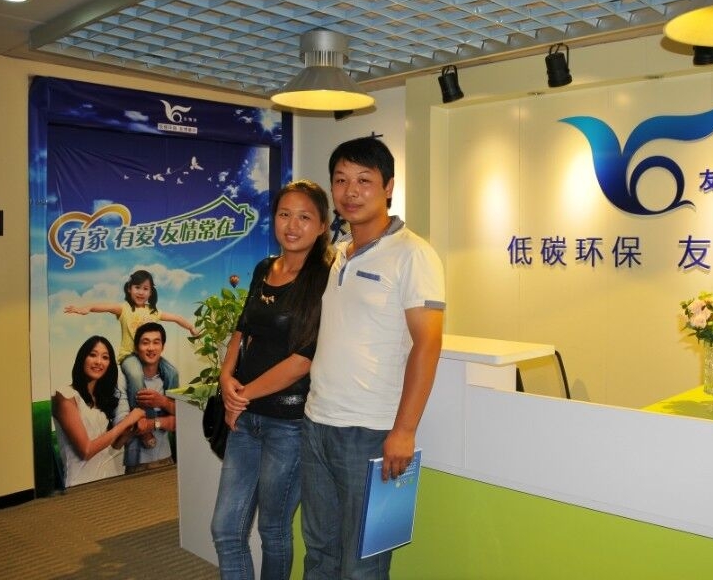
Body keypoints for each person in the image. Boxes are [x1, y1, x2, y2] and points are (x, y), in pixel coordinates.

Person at [301, 136, 445, 579]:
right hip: (317, 422)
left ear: (388, 187)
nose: (351, 191)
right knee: (319, 553)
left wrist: (404, 430)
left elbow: (427, 345)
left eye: (364, 180)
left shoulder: (414, 254)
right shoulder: (338, 253)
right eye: (341, 180)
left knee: (363, 565)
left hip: (371, 433)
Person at [211, 180, 333, 580]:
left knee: (274, 530)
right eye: (284, 214)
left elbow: (302, 360)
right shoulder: (266, 268)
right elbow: (243, 328)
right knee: (226, 530)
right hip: (245, 418)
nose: (292, 225)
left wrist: (241, 395)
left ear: (322, 225)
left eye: (304, 217)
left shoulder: (326, 279)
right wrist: (226, 376)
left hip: (289, 424)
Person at [52, 336, 145, 487]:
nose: (98, 362)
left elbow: (110, 449)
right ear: (82, 358)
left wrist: (129, 431)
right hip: (81, 484)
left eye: (105, 357)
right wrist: (125, 423)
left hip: (112, 476)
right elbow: (86, 451)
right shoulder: (65, 396)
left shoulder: (102, 398)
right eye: (93, 355)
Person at [63, 268, 198, 362]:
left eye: (145, 289)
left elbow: (176, 318)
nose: (141, 292)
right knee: (136, 375)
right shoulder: (124, 309)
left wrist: (191, 328)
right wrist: (88, 307)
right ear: (129, 289)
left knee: (170, 372)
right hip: (129, 356)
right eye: (137, 287)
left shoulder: (153, 312)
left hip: (149, 356)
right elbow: (106, 306)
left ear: (150, 292)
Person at [115, 321, 179, 473]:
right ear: (137, 348)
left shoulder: (168, 376)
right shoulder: (123, 378)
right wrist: (162, 422)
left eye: (156, 342)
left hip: (166, 458)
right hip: (137, 464)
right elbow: (122, 425)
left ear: (162, 347)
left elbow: (180, 420)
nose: (151, 348)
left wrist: (162, 402)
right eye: (145, 342)